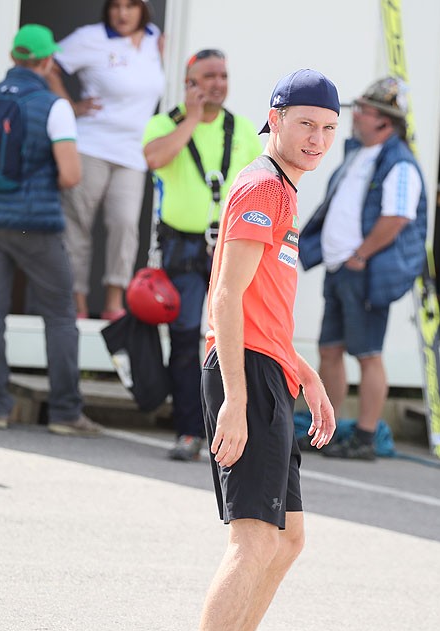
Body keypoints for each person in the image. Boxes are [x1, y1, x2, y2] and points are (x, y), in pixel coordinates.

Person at [191, 69, 339, 631]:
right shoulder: (261, 189)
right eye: (305, 124)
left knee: (287, 540)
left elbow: (262, 309)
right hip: (245, 372)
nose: (317, 139)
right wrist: (236, 398)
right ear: (275, 120)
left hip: (268, 367)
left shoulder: (283, 190)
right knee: (253, 540)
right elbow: (226, 297)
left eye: (328, 128)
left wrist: (307, 374)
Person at [0, 24, 105, 437]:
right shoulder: (54, 107)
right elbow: (71, 175)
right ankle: (65, 413)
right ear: (48, 60)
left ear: (13, 57)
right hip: (34, 227)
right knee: (60, 315)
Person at [142, 49, 263, 461]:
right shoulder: (166, 124)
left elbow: (263, 183)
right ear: (189, 82)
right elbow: (154, 158)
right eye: (208, 76)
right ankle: (190, 431)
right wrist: (192, 119)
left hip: (232, 244)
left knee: (238, 337)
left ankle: (238, 430)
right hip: (183, 246)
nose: (218, 83)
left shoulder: (242, 129)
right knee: (184, 338)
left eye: (223, 75)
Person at [298, 77, 428, 460]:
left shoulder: (400, 163)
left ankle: (366, 437)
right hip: (341, 268)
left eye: (365, 111)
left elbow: (397, 218)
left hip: (364, 272)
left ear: (385, 121)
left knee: (368, 354)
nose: (355, 116)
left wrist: (360, 256)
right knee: (329, 350)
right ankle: (328, 431)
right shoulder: (361, 153)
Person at [47, 0, 165, 320]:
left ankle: (114, 302)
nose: (122, 13)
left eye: (130, 5)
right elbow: (49, 64)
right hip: (91, 147)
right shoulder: (91, 37)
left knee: (125, 225)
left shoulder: (156, 39)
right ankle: (77, 303)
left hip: (133, 153)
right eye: (115, 5)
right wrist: (70, 106)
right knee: (77, 225)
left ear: (143, 8)